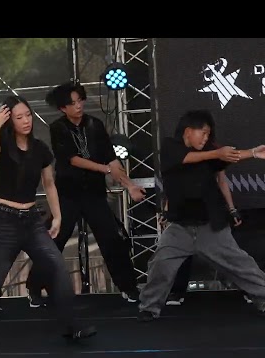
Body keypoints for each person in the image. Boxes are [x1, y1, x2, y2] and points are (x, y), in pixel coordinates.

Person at [0, 95, 97, 343]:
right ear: (10, 120)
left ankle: (72, 326)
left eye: (28, 115)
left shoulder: (40, 149)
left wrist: (57, 216)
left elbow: (49, 183)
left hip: (31, 221)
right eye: (19, 117)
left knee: (56, 267)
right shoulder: (0, 144)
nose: (26, 120)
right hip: (4, 221)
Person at [25, 82, 147, 307]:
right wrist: (106, 169)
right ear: (63, 108)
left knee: (111, 239)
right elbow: (72, 159)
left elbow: (111, 158)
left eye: (80, 100)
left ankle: (128, 287)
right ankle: (34, 287)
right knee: (55, 241)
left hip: (94, 194)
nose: (78, 106)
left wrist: (129, 185)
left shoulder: (95, 125)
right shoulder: (58, 128)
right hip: (68, 195)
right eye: (72, 103)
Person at [137, 109, 265, 321]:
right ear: (188, 131)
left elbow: (229, 155)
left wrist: (253, 152)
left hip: (211, 225)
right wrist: (216, 153)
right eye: (203, 133)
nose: (206, 138)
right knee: (160, 264)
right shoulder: (170, 147)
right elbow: (185, 158)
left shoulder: (209, 153)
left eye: (208, 134)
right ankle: (149, 307)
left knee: (241, 264)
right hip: (180, 227)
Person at [161, 169, 243, 306]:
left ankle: (248, 289)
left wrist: (232, 209)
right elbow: (173, 187)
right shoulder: (178, 159)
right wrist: (167, 210)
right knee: (180, 252)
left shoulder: (213, 159)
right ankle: (177, 291)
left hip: (211, 211)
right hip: (185, 212)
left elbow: (222, 181)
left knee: (228, 253)